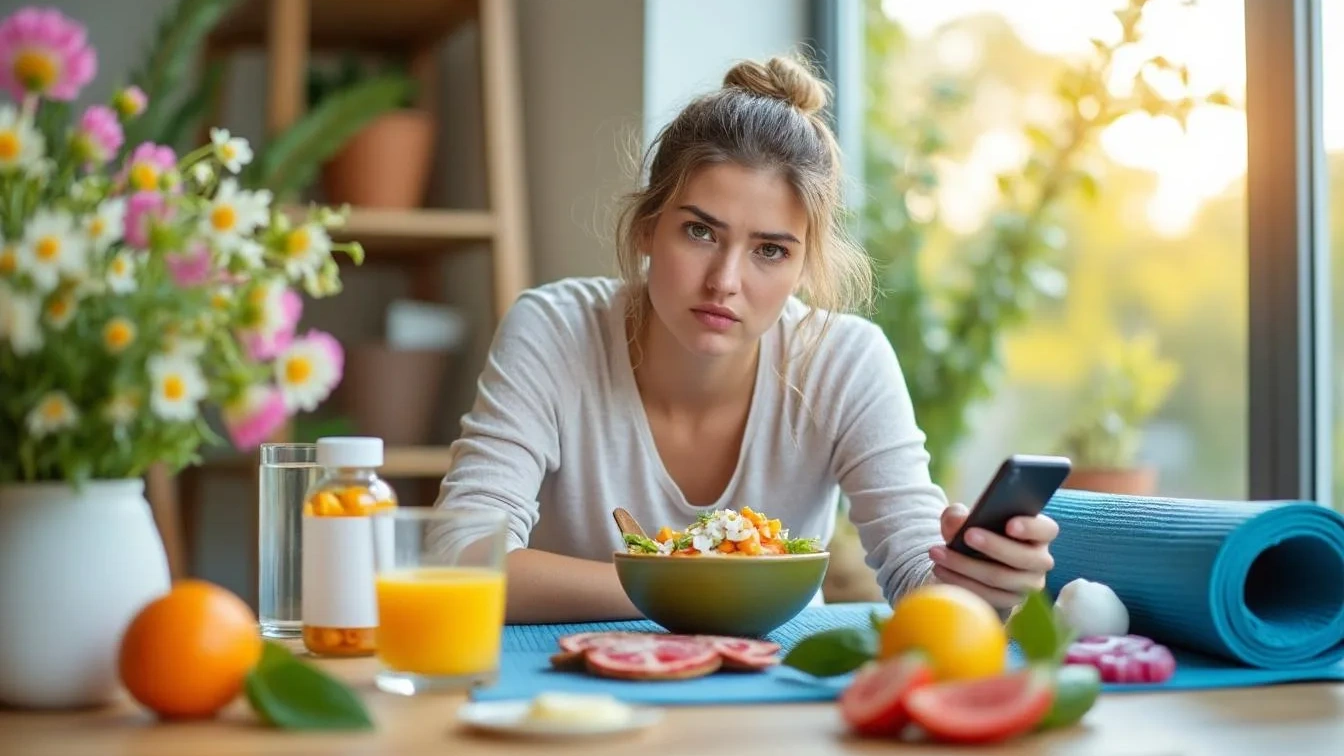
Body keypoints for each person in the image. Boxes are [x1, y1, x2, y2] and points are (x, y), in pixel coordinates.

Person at [435, 54, 1059, 623]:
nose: (725, 281)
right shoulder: (556, 330)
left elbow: (919, 582)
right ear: (649, 227)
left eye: (769, 250)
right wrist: (702, 587)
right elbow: (460, 557)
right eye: (700, 232)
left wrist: (983, 583)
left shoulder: (845, 361)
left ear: (804, 266)